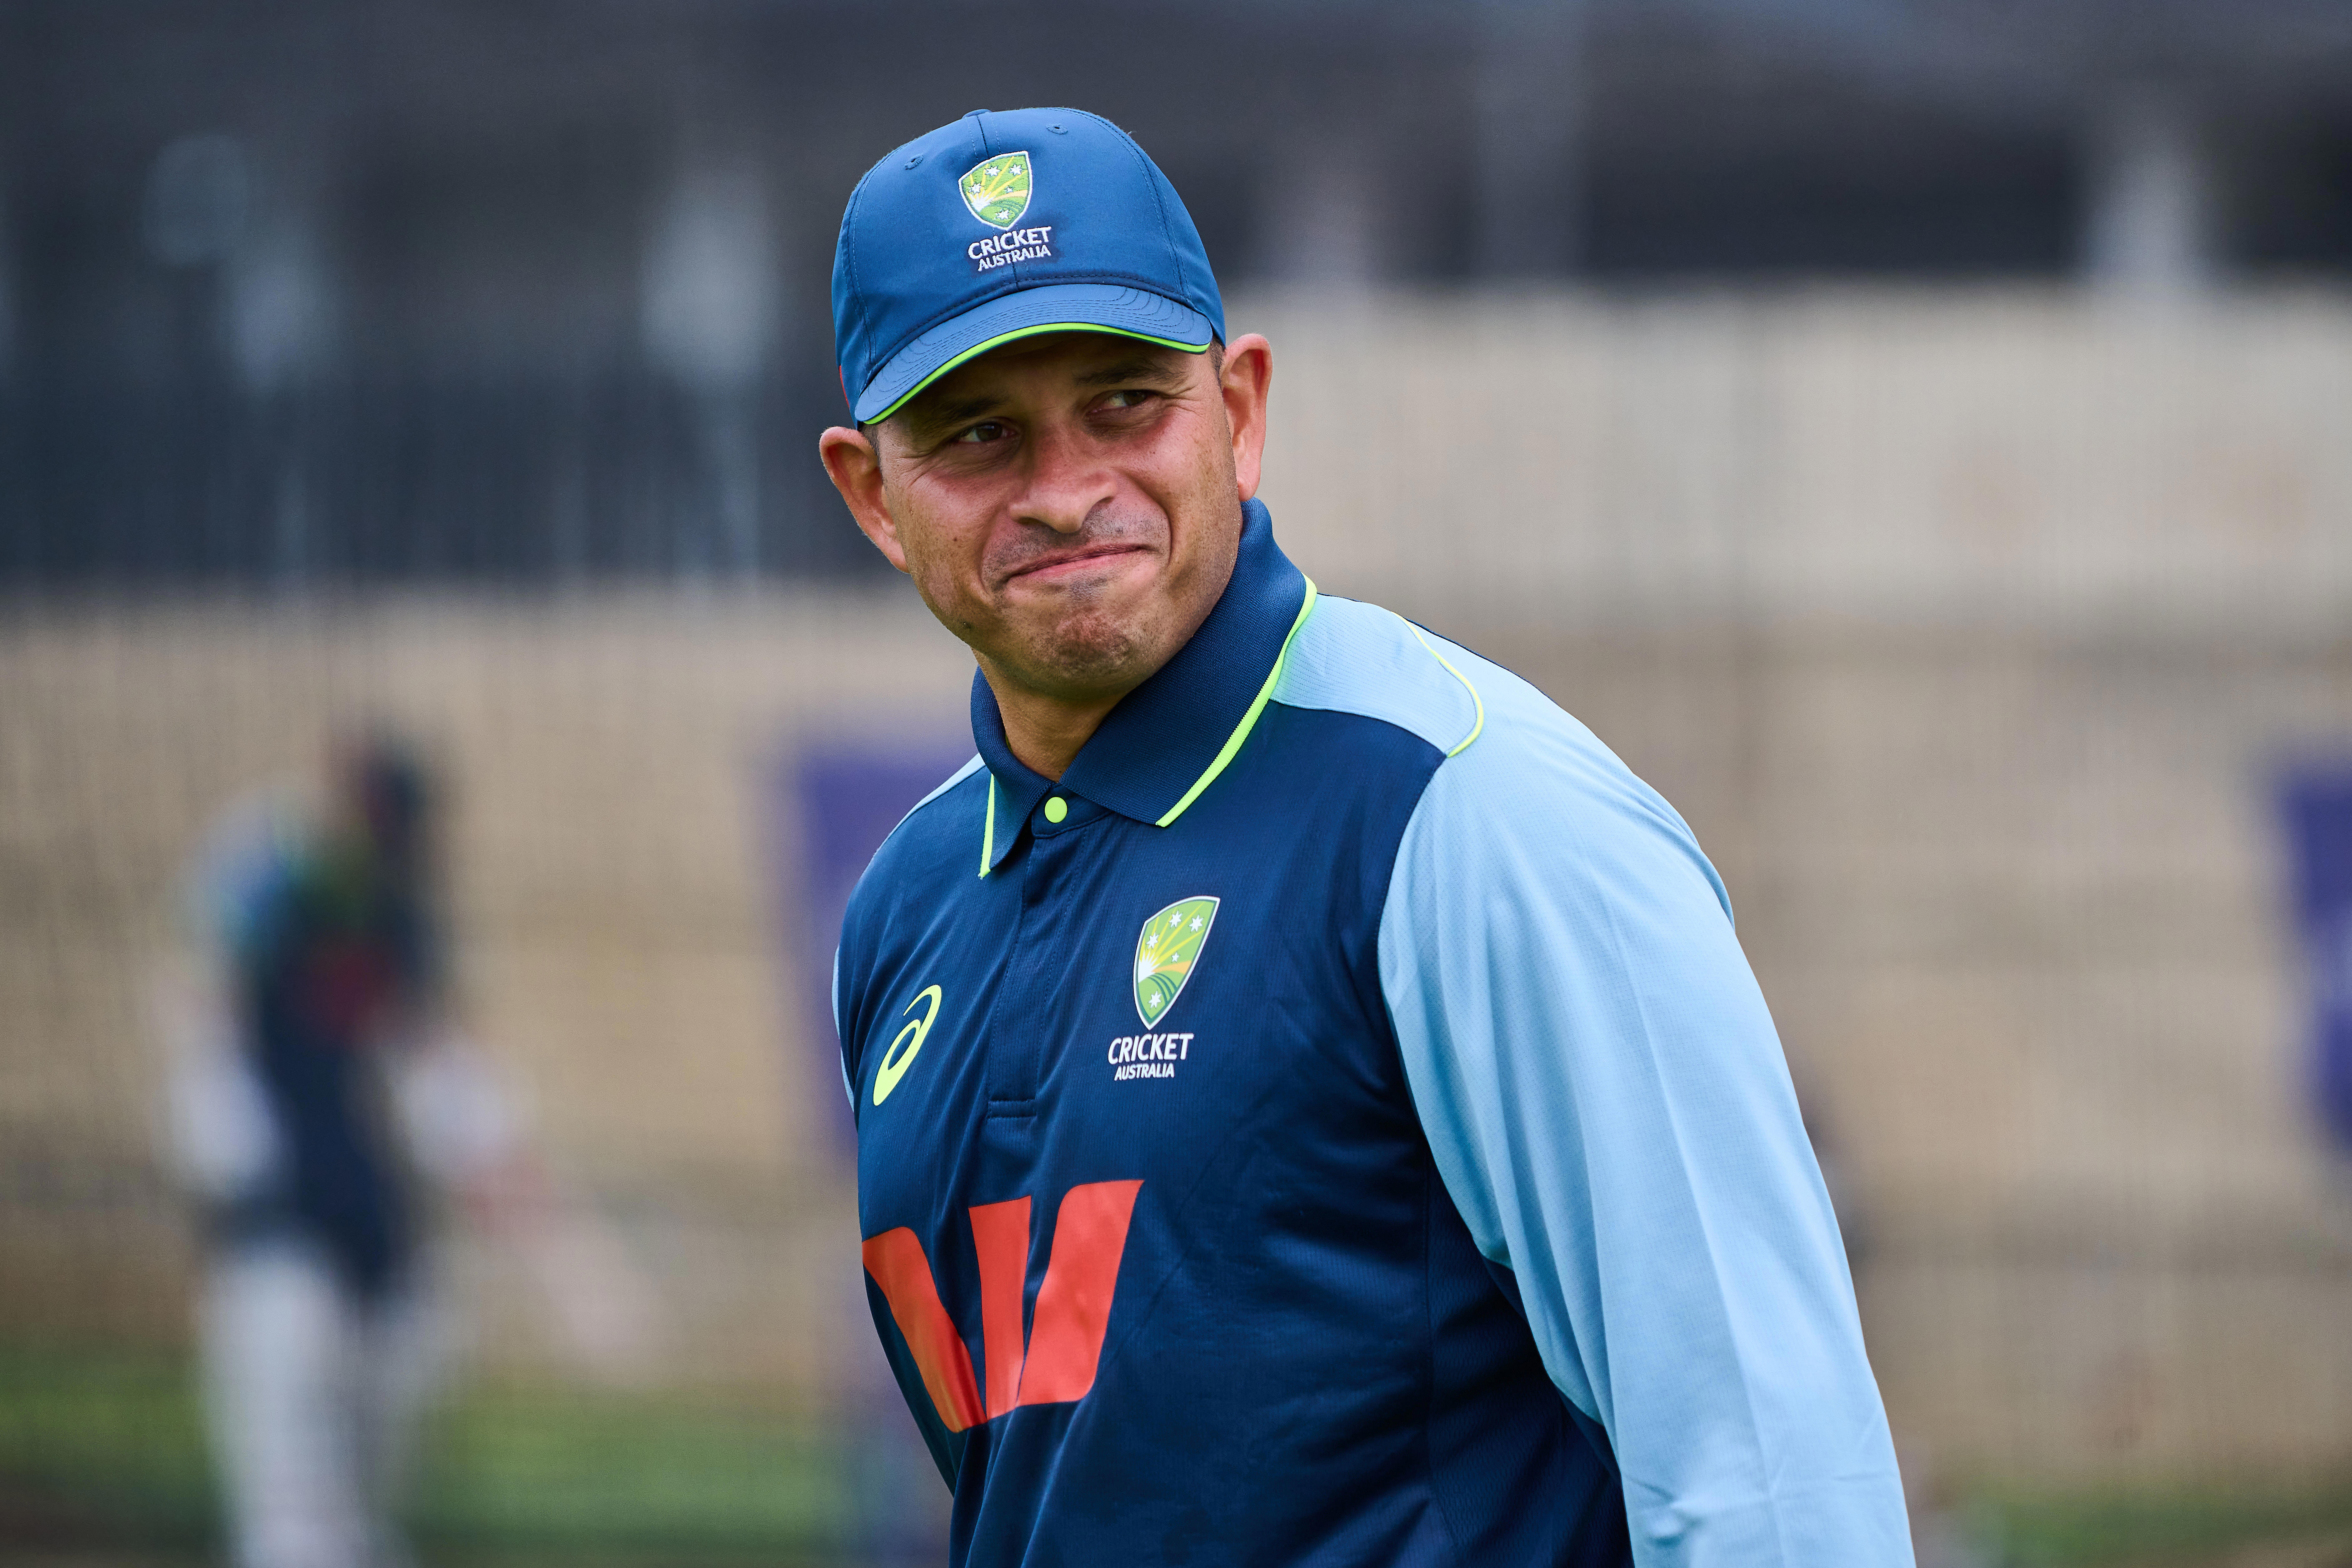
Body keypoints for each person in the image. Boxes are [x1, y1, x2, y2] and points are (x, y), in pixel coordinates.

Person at [817, 107, 1911, 1566]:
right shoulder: (906, 906)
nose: (1067, 490)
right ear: (872, 495)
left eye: (1126, 404)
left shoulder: (1470, 808)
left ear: (1241, 411)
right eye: (977, 434)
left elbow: (1768, 1485)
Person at [161, 738, 523, 1568]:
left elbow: (434, 1054)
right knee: (289, 1454)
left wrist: (488, 1163)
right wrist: (216, 1110)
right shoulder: (273, 871)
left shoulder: (401, 909)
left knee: (387, 1407)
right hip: (278, 1215)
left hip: (367, 1213)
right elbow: (200, 983)